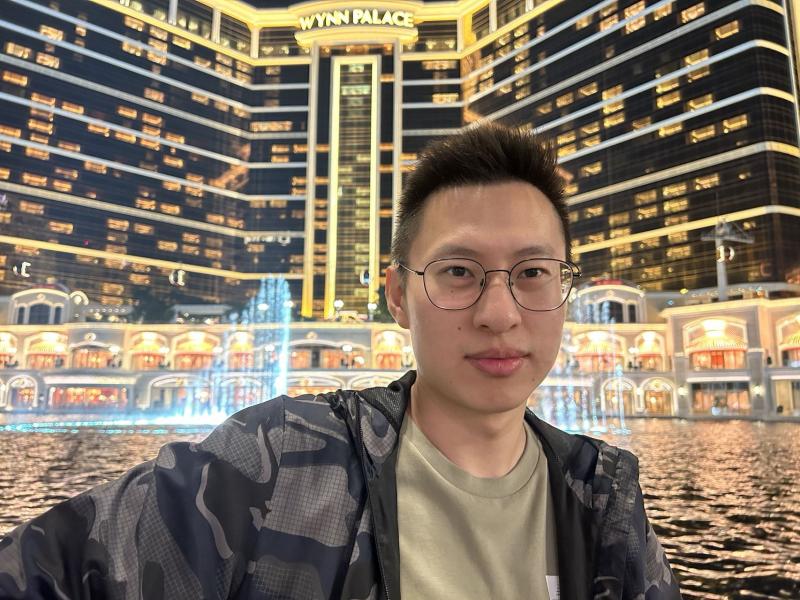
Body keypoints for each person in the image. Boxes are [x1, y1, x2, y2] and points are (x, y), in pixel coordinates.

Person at [0, 122, 682, 599]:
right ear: (398, 296)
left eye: (532, 272)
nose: (499, 313)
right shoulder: (278, 463)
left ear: (565, 289)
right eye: (458, 272)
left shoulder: (606, 499)